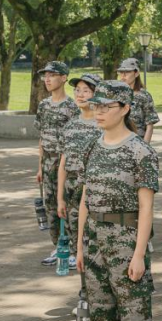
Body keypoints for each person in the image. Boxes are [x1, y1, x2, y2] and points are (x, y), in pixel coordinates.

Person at [76, 81, 158, 321]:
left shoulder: (140, 151)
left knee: (134, 315)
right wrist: (80, 245)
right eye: (95, 106)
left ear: (124, 108)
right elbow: (85, 198)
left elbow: (146, 207)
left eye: (105, 106)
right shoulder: (93, 146)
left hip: (125, 240)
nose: (98, 112)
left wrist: (139, 254)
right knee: (102, 312)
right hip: (94, 240)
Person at [35, 61, 78, 265]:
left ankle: (72, 248)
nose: (47, 79)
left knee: (67, 205)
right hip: (47, 162)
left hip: (65, 163)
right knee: (50, 205)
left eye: (52, 75)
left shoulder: (72, 107)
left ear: (63, 78)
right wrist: (39, 167)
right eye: (45, 75)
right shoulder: (44, 105)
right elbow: (42, 137)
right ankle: (58, 246)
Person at [57, 73, 102, 269]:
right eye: (77, 90)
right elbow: (63, 164)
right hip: (72, 189)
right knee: (76, 235)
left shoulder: (103, 126)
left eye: (86, 91)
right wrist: (60, 198)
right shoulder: (70, 126)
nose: (80, 95)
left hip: (95, 189)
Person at [117, 58, 159, 144]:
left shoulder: (144, 96)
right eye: (121, 72)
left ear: (136, 73)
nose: (123, 75)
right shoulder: (115, 95)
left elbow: (149, 126)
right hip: (118, 141)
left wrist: (145, 147)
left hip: (137, 142)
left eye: (127, 72)